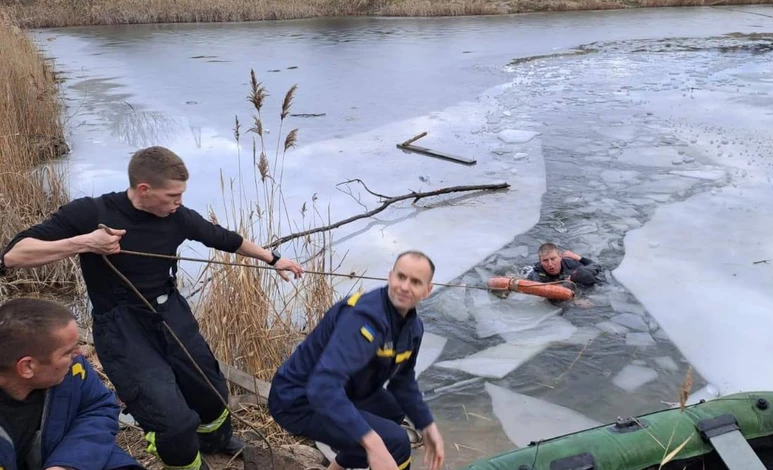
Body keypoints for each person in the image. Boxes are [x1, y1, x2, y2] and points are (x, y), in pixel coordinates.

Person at [0, 146, 305, 470]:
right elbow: (14, 255)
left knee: (209, 389)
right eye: (172, 195)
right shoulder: (92, 213)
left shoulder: (177, 217)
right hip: (121, 325)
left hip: (169, 311)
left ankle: (215, 440)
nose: (179, 203)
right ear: (144, 189)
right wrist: (86, 242)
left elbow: (224, 238)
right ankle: (185, 462)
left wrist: (274, 260)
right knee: (170, 416)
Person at [268, 250, 445, 470]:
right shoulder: (363, 319)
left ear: (427, 290)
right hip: (299, 401)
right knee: (395, 442)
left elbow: (403, 381)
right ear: (390, 277)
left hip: (345, 390)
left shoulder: (413, 328)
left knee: (395, 409)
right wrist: (374, 444)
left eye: (416, 282)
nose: (405, 287)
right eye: (401, 277)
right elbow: (322, 388)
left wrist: (427, 425)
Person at [0, 297, 144, 470]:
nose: (80, 353)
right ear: (27, 366)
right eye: (68, 351)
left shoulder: (73, 370)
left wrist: (67, 464)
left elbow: (98, 407)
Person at [526, 242, 603, 290]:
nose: (550, 264)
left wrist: (578, 258)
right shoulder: (537, 272)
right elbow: (541, 290)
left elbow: (596, 266)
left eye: (553, 259)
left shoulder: (570, 264)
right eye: (545, 260)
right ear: (540, 261)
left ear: (560, 257)